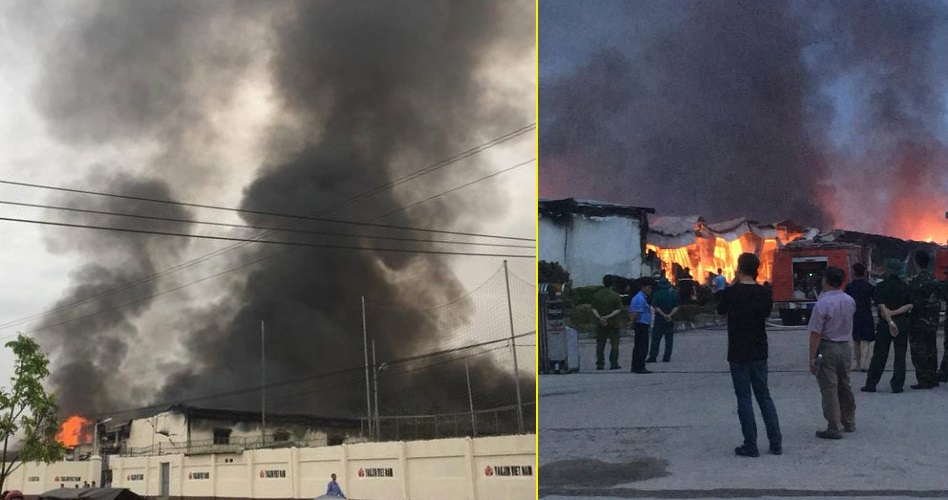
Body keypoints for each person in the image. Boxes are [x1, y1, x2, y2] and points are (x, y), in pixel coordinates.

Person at [716, 253, 781, 457]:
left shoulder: (731, 292)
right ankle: (776, 442)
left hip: (737, 352)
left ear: (739, 267)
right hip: (759, 350)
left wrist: (734, 284)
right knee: (764, 396)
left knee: (744, 398)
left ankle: (750, 444)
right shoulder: (763, 293)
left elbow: (720, 310)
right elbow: (767, 313)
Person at [807, 266, 856, 440]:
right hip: (844, 346)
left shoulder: (822, 303)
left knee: (829, 388)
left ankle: (834, 426)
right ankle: (849, 420)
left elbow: (816, 333)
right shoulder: (849, 300)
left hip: (828, 347)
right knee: (845, 384)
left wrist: (812, 358)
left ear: (826, 280)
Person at [862, 259, 913, 393]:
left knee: (879, 354)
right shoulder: (905, 286)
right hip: (902, 322)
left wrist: (890, 319)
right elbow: (910, 305)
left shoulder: (881, 286)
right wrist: (896, 314)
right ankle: (897, 385)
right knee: (900, 355)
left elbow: (881, 305)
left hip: (885, 324)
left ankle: (871, 383)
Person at [908, 250, 945, 389]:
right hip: (933, 321)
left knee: (919, 351)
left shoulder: (915, 282)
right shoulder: (935, 281)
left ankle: (923, 379)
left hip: (918, 321)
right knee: (931, 348)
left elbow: (910, 302)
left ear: (916, 262)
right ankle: (933, 377)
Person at [844, 263, 875, 371]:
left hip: (854, 315)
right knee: (865, 341)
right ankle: (864, 364)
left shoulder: (849, 287)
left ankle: (857, 364)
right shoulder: (869, 286)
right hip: (866, 314)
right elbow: (875, 301)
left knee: (856, 340)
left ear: (854, 272)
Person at [591, 275, 625, 370]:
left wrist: (600, 318)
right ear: (612, 283)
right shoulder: (615, 295)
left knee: (600, 344)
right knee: (614, 344)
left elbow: (593, 309)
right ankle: (614, 363)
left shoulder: (597, 295)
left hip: (600, 323)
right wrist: (608, 317)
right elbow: (618, 310)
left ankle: (600, 363)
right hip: (613, 323)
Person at [647, 278, 679, 363]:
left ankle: (653, 357)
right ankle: (667, 357)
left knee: (656, 339)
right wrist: (669, 315)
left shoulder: (656, 295)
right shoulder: (673, 294)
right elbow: (676, 307)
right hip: (669, 320)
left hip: (659, 319)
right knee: (669, 339)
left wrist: (663, 315)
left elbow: (655, 307)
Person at [628, 278, 654, 374]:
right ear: (643, 288)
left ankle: (635, 366)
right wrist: (632, 322)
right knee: (642, 347)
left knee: (638, 346)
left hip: (640, 324)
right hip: (641, 325)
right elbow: (637, 312)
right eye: (649, 288)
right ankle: (640, 366)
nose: (650, 290)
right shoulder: (640, 298)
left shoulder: (638, 297)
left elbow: (631, 310)